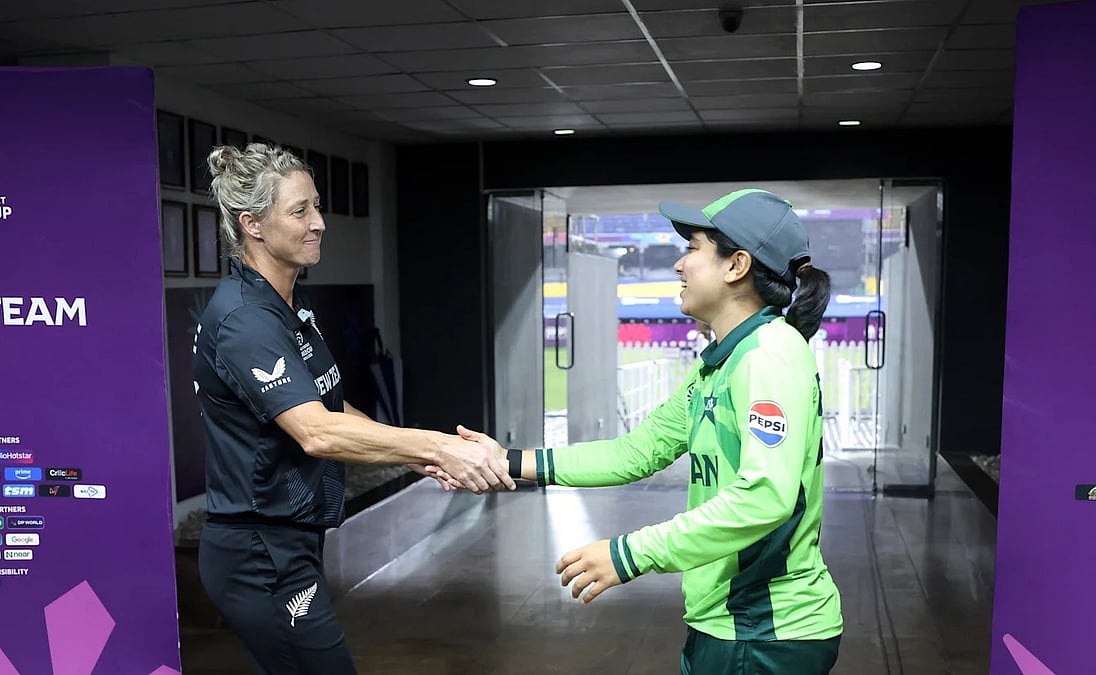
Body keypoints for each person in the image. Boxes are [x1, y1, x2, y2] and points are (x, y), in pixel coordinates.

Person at [459, 189, 843, 674]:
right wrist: (507, 462)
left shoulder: (768, 354)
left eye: (694, 249)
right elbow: (634, 453)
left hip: (763, 631)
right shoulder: (721, 362)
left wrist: (628, 555)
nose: (680, 266)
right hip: (729, 625)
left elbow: (765, 497)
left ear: (736, 265)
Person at [192, 143, 514, 675]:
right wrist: (437, 445)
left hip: (289, 543)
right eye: (300, 211)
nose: (318, 223)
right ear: (252, 224)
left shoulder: (287, 307)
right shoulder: (245, 320)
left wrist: (409, 456)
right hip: (258, 554)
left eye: (316, 206)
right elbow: (317, 433)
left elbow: (332, 407)